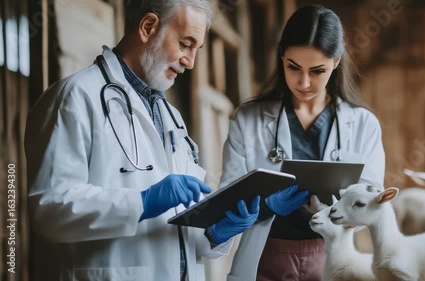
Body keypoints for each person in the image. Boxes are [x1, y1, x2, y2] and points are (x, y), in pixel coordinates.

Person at [24, 1, 260, 280]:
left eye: (197, 50)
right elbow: (49, 209)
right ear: (148, 27)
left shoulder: (171, 116)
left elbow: (174, 233)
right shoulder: (75, 97)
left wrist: (216, 232)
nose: (191, 61)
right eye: (185, 44)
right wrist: (142, 202)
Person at [220, 4, 386, 281]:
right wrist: (266, 206)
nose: (304, 82)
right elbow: (229, 197)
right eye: (293, 67)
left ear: (336, 62)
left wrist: (331, 211)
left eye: (317, 70)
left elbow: (373, 202)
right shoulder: (248, 120)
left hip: (330, 256)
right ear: (281, 56)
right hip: (264, 256)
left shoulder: (362, 125)